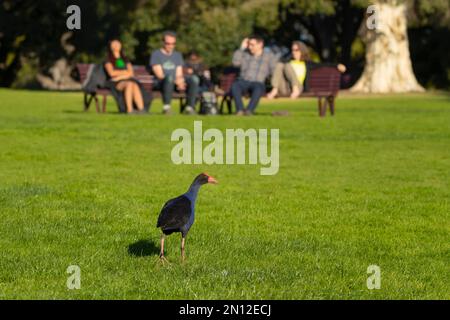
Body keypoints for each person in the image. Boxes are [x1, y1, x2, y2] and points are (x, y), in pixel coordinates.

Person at [267, 41, 347, 99]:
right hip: (285, 87)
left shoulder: (307, 63)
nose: (294, 52)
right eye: (293, 50)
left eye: (296, 50)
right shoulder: (288, 61)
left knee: (286, 65)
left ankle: (294, 88)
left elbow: (323, 64)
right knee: (280, 64)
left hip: (298, 88)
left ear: (302, 50)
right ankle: (275, 89)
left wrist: (337, 65)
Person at [150, 31, 199, 115]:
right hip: (162, 83)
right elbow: (160, 75)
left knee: (194, 79)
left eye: (173, 44)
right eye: (168, 43)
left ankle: (189, 108)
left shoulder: (177, 55)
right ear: (163, 43)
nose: (170, 46)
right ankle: (166, 108)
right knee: (169, 78)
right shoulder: (156, 54)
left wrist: (180, 81)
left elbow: (179, 73)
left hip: (175, 81)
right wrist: (175, 81)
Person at [231, 35, 278, 116]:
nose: (250, 47)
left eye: (252, 44)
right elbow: (235, 63)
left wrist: (275, 86)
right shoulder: (244, 54)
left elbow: (274, 71)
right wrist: (241, 48)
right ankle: (240, 110)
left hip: (258, 82)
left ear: (260, 44)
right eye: (249, 44)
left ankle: (249, 110)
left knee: (258, 88)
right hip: (244, 81)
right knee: (235, 85)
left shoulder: (269, 56)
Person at [104, 39, 145, 114]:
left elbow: (131, 73)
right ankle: (129, 110)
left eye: (118, 43)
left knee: (134, 84)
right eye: (114, 44)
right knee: (129, 84)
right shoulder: (108, 59)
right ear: (110, 47)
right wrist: (125, 73)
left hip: (124, 79)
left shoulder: (125, 59)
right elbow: (112, 73)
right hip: (115, 83)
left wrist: (120, 76)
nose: (116, 45)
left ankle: (141, 110)